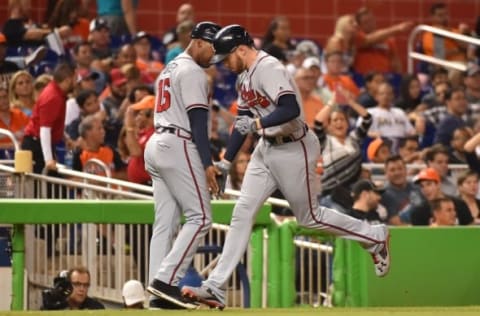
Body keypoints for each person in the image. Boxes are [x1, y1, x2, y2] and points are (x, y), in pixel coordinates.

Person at [181, 24, 391, 310]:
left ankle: (374, 235)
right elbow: (243, 122)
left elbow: (290, 108)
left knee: (309, 219)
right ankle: (216, 287)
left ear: (241, 49)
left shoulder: (269, 68)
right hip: (266, 148)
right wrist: (227, 161)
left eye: (227, 57)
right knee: (242, 213)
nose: (225, 65)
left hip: (295, 146)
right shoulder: (244, 76)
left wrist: (255, 124)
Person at [144, 21, 222, 310]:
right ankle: (165, 281)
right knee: (201, 218)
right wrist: (207, 163)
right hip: (178, 142)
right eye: (212, 47)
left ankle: (156, 293)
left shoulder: (170, 68)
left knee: (164, 223)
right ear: (199, 41)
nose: (214, 56)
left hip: (157, 143)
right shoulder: (192, 71)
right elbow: (198, 122)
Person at [21, 63, 75, 173]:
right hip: (36, 145)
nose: (76, 82)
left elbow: (52, 122)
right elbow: (44, 130)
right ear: (68, 80)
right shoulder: (52, 97)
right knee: (48, 186)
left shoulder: (56, 92)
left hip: (40, 142)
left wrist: (65, 137)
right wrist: (49, 160)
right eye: (75, 78)